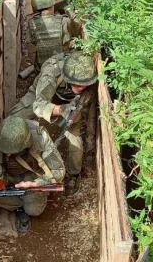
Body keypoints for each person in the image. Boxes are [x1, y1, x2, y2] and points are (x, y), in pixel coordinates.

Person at [8, 51, 97, 194]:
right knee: (12, 121)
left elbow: (88, 98)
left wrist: (74, 112)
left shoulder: (89, 72)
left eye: (84, 84)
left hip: (69, 104)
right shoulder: (52, 72)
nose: (80, 87)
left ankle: (73, 175)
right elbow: (39, 105)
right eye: (76, 83)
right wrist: (61, 110)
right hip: (42, 98)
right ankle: (11, 155)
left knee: (75, 142)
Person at [0, 116, 65, 233]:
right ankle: (19, 204)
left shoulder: (40, 138)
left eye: (12, 153)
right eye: (5, 152)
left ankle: (21, 201)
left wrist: (37, 184)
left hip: (33, 177)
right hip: (9, 177)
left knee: (33, 210)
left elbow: (59, 171)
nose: (7, 156)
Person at [29, 0, 82, 70]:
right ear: (51, 6)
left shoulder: (32, 22)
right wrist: (71, 13)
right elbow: (77, 31)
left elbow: (34, 41)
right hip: (60, 65)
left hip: (41, 67)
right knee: (74, 43)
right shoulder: (63, 21)